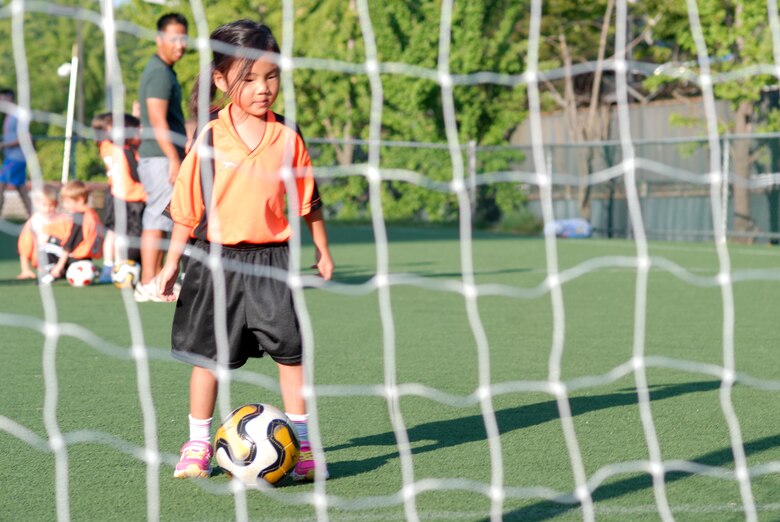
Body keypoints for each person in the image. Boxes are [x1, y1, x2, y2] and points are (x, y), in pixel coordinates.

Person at [156, 19, 334, 481]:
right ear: (220, 80)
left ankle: (303, 444)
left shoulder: (288, 137)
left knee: (291, 354)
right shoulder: (210, 138)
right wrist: (170, 264)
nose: (263, 88)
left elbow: (308, 201)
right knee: (206, 358)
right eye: (249, 78)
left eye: (271, 76)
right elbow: (185, 209)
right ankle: (197, 443)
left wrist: (322, 249)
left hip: (272, 262)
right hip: (214, 260)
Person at [136, 12, 189, 301]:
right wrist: (173, 157)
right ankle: (148, 283)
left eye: (183, 38)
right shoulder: (158, 72)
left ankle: (154, 281)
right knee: (157, 217)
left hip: (161, 155)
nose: (180, 44)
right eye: (174, 38)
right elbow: (157, 119)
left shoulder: (165, 70)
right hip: (159, 156)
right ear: (159, 39)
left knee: (162, 218)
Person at [92, 112, 146, 283]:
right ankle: (119, 265)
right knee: (125, 233)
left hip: (116, 192)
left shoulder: (104, 145)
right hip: (129, 196)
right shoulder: (119, 147)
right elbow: (136, 174)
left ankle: (110, 266)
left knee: (114, 231)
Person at [43, 180, 104, 282]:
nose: (65, 205)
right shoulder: (93, 215)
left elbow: (69, 246)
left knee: (47, 245)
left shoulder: (79, 218)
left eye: (67, 202)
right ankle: (93, 269)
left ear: (80, 200)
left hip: (75, 259)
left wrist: (59, 267)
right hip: (87, 258)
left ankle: (54, 272)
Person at [17, 185, 64, 279]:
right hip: (41, 256)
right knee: (27, 235)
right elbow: (25, 246)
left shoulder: (62, 219)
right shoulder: (35, 221)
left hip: (60, 256)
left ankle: (62, 268)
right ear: (37, 204)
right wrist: (25, 269)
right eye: (44, 205)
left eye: (51, 205)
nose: (48, 209)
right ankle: (27, 270)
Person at [0, 88, 32, 218]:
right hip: (15, 158)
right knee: (21, 189)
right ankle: (34, 217)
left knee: (0, 184)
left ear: (8, 98)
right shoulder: (9, 116)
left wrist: (3, 145)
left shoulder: (17, 115)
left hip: (16, 158)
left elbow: (26, 137)